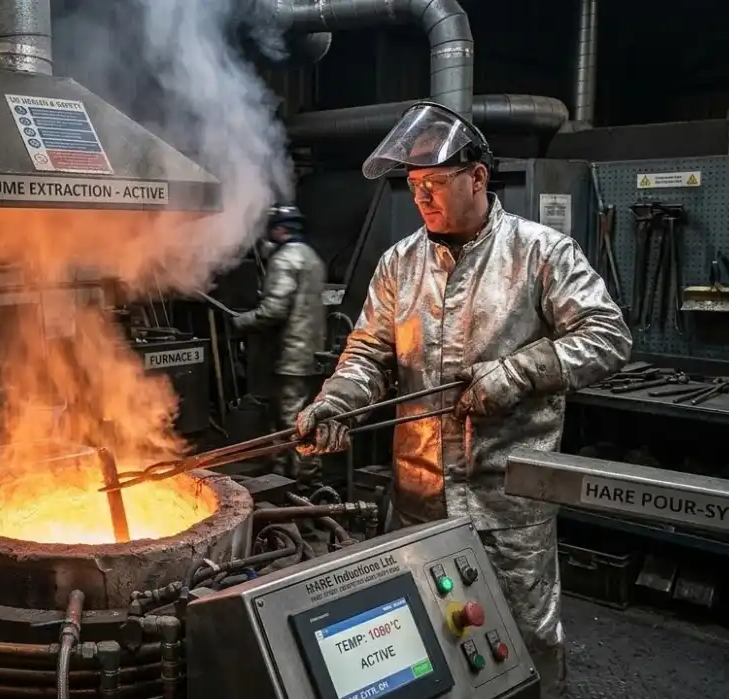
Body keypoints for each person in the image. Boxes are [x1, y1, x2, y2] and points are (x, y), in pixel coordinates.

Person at [294, 102, 632, 698]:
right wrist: (338, 399)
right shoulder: (400, 264)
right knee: (427, 643)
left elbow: (607, 337)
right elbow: (368, 352)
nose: (422, 197)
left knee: (525, 641)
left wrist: (520, 371)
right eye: (414, 185)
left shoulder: (540, 253)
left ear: (477, 177)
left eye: (435, 184)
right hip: (418, 499)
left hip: (507, 502)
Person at [233, 204, 327, 492]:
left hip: (291, 356)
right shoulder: (312, 257)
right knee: (305, 415)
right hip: (312, 353)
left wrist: (241, 321)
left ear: (279, 229)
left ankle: (305, 484)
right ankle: (291, 474)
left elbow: (274, 309)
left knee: (293, 421)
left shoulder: (285, 260)